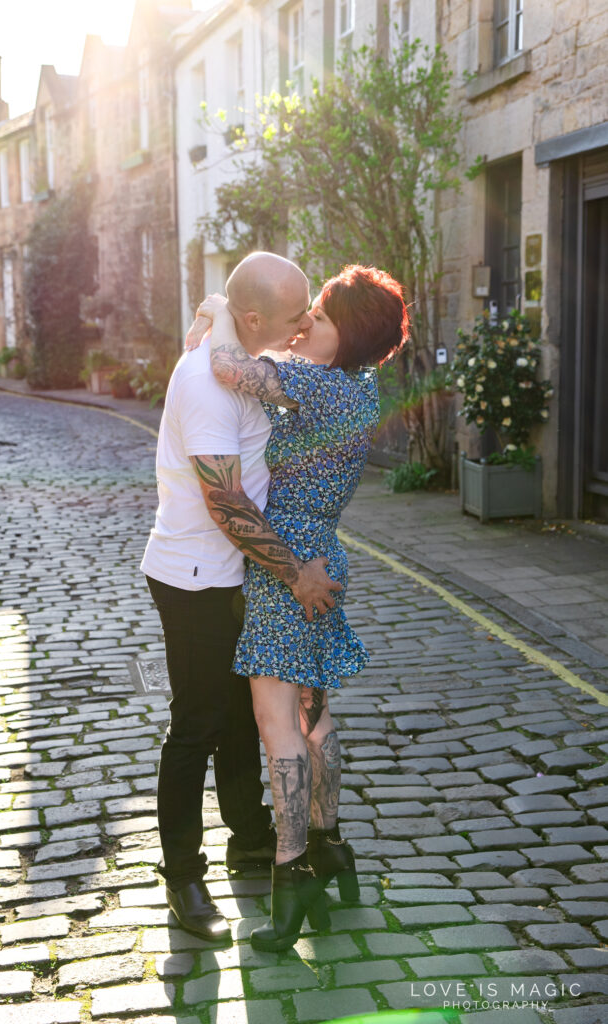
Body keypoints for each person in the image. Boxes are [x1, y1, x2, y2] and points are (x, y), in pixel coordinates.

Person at [187, 264, 409, 951]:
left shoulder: (314, 385)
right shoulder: (356, 385)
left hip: (289, 560)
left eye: (319, 314)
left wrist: (217, 309)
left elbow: (225, 366)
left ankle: (291, 876)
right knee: (314, 712)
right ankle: (329, 841)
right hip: (323, 551)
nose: (306, 322)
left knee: (275, 720)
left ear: (348, 335)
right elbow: (277, 360)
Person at [140, 252, 342, 944]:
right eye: (296, 315)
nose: (306, 323)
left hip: (235, 575)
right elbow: (224, 503)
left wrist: (217, 310)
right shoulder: (205, 380)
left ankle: (249, 836)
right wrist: (297, 575)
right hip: (193, 576)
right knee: (196, 725)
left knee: (236, 717)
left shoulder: (238, 351)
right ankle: (181, 876)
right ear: (254, 317)